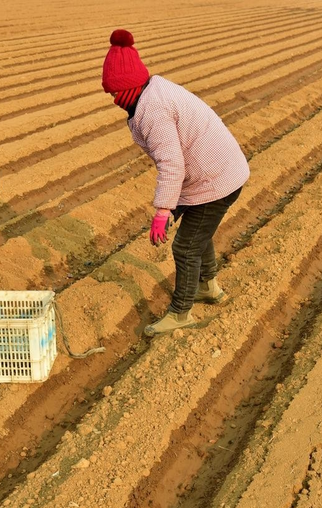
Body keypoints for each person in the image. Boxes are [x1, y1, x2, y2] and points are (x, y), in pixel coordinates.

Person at [101, 29, 250, 337]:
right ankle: (208, 286)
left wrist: (162, 211)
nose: (115, 100)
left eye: (115, 93)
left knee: (185, 246)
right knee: (198, 232)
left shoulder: (152, 109)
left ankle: (181, 313)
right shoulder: (153, 90)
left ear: (127, 86)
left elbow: (172, 163)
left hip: (216, 179)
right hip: (214, 172)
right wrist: (172, 209)